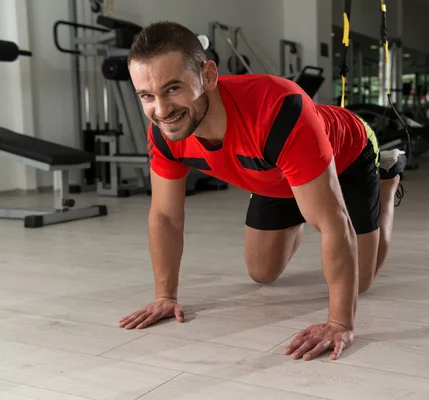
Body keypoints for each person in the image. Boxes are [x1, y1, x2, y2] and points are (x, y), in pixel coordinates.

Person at [118, 21, 406, 362]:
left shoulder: (279, 112)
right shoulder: (166, 131)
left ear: (208, 76)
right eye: (147, 96)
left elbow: (333, 224)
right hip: (276, 172)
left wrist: (339, 322)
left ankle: (388, 180)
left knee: (359, 284)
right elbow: (165, 215)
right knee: (262, 273)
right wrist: (165, 296)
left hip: (348, 156)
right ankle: (304, 199)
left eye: (173, 88)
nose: (162, 110)